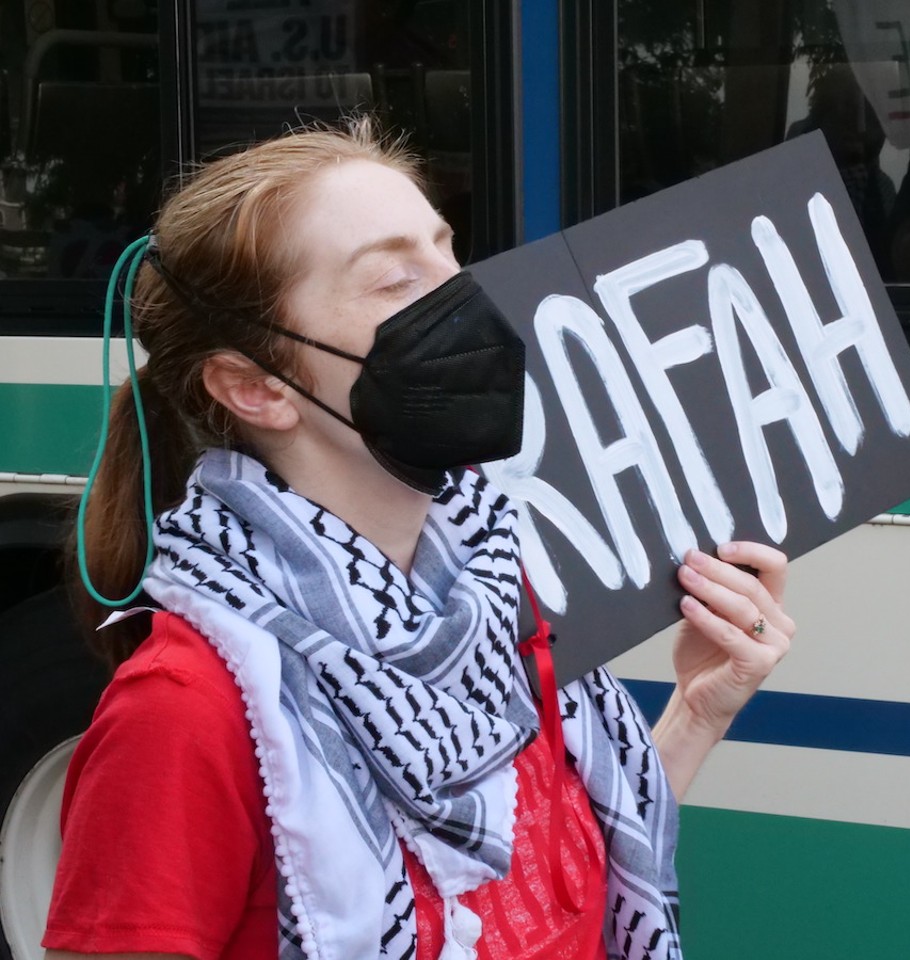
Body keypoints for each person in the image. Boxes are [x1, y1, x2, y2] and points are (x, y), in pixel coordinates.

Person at [42, 118, 794, 960]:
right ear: (255, 387)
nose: (465, 300)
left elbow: (542, 881)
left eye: (449, 256)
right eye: (398, 280)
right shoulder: (188, 709)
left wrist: (695, 711)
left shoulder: (497, 607)